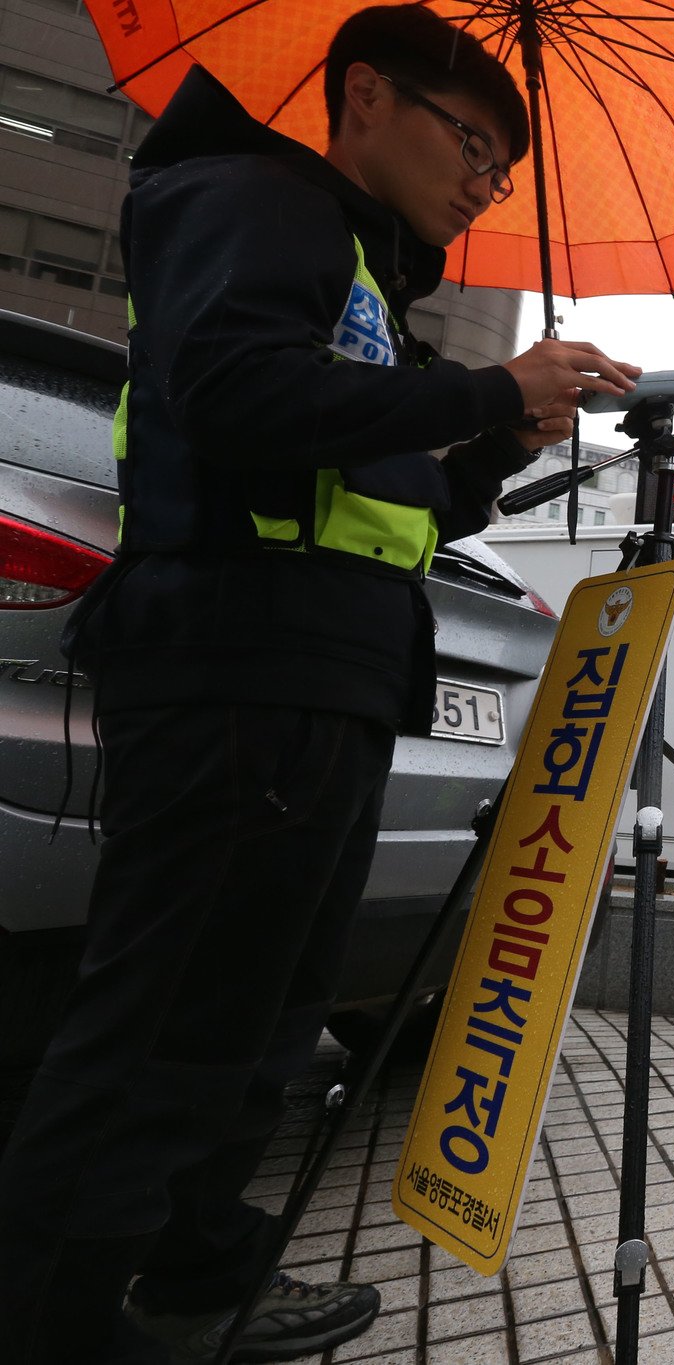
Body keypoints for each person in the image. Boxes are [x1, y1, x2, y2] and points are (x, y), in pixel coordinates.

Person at [0, 8, 640, 1363]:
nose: (485, 181)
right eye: (473, 141)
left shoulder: (363, 274)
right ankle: (52, 1316)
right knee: (170, 1012)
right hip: (242, 656)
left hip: (331, 671)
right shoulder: (250, 199)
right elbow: (235, 395)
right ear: (363, 98)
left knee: (265, 1019)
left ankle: (193, 1274)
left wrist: (493, 431)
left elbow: (404, 489)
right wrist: (477, 389)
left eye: (504, 168)